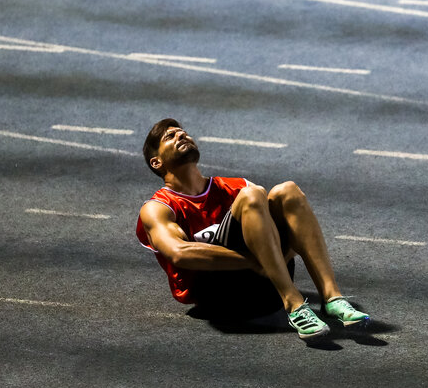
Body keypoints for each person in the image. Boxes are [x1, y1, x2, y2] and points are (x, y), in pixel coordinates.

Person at [135, 118, 371, 340]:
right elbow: (179, 253)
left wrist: (270, 259)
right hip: (219, 297)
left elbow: (289, 228)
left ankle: (332, 298)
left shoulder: (235, 186)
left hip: (265, 289)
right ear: (157, 162)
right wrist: (256, 261)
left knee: (287, 191)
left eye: (183, 132)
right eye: (171, 136)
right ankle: (295, 304)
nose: (182, 135)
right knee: (251, 196)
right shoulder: (159, 208)